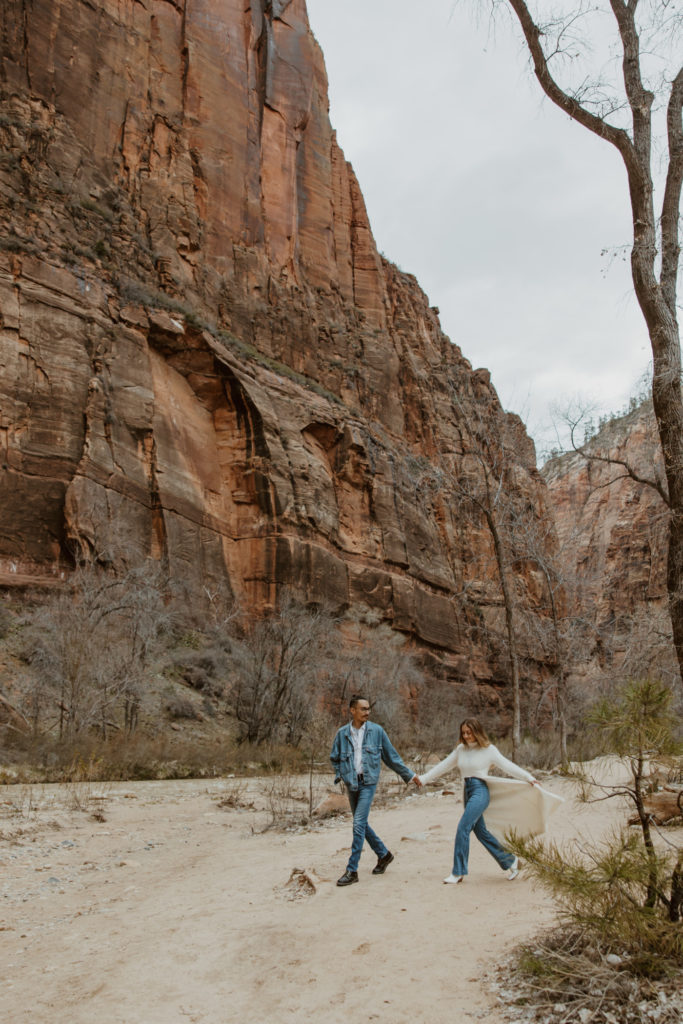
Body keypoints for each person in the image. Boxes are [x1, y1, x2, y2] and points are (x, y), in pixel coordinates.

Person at [419, 717, 538, 884]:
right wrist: (423, 779)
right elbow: (443, 766)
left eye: (469, 732)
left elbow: (508, 765)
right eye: (463, 733)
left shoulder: (489, 750)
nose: (466, 736)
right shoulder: (461, 749)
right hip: (467, 792)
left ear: (477, 732)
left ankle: (458, 872)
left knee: (463, 828)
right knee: (481, 832)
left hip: (480, 791)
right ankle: (511, 861)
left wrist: (529, 777)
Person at [330, 694, 422, 886]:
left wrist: (410, 775)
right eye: (363, 709)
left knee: (357, 824)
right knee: (361, 823)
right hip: (351, 784)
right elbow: (335, 757)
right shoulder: (342, 734)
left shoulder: (377, 731)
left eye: (368, 708)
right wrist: (340, 775)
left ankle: (352, 870)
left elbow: (392, 757)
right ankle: (384, 854)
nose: (367, 712)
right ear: (352, 710)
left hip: (368, 783)